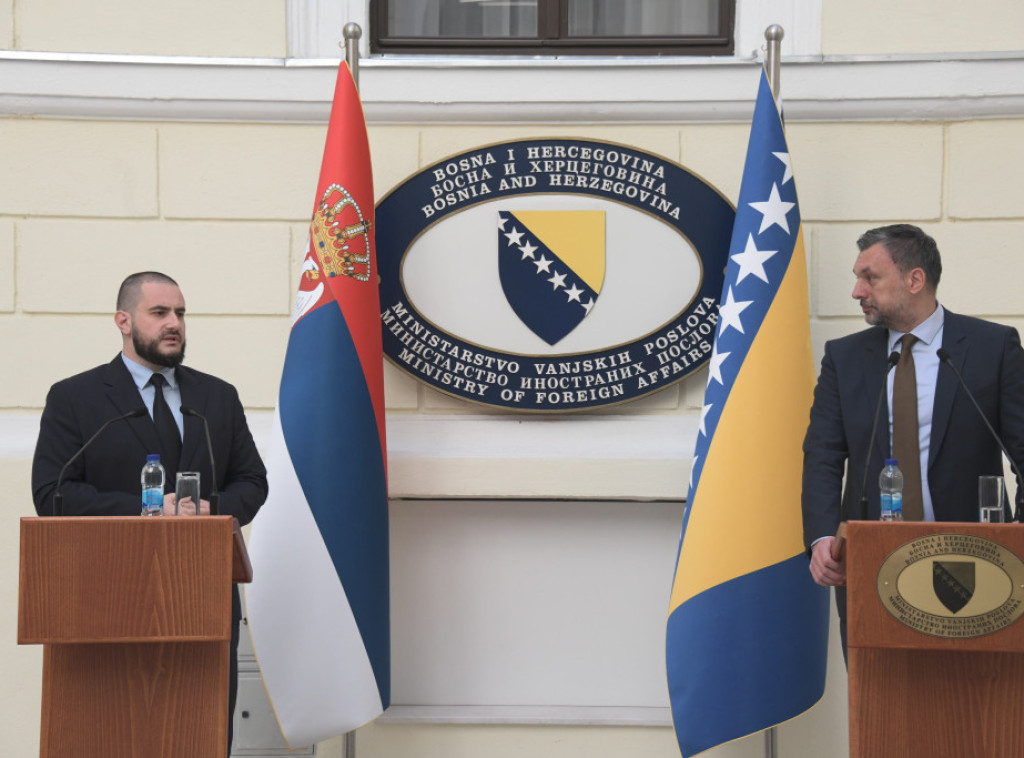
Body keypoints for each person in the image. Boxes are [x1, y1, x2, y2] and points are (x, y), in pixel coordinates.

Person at [31, 271, 267, 754]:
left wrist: (210, 509)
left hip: (201, 593)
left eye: (180, 313)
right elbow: (53, 493)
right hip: (104, 594)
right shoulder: (76, 397)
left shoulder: (216, 397)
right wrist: (149, 509)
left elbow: (252, 482)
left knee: (198, 735)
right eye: (159, 312)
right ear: (123, 321)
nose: (173, 323)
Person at [801, 224, 1024, 651]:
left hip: (977, 559)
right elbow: (823, 454)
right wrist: (822, 536)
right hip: (873, 561)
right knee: (878, 686)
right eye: (858, 277)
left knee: (970, 687)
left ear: (914, 280)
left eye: (870, 277)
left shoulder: (992, 347)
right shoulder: (844, 358)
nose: (857, 291)